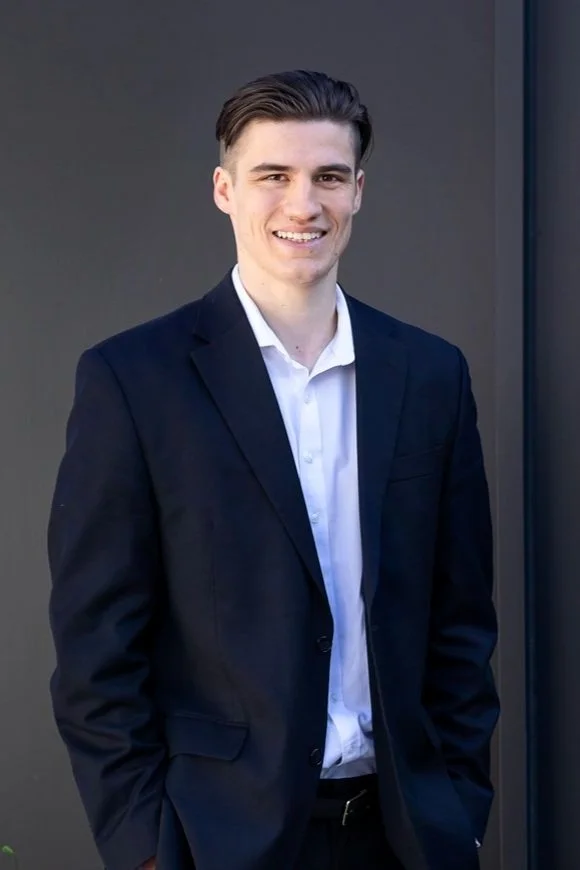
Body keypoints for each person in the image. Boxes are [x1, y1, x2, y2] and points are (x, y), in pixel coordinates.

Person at [48, 70, 499, 870]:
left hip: (405, 837)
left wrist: (458, 810)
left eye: (328, 176)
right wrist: (144, 849)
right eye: (273, 176)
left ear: (358, 191)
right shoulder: (134, 379)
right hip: (215, 839)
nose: (303, 204)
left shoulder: (431, 374)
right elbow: (96, 644)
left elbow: (460, 621)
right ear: (224, 190)